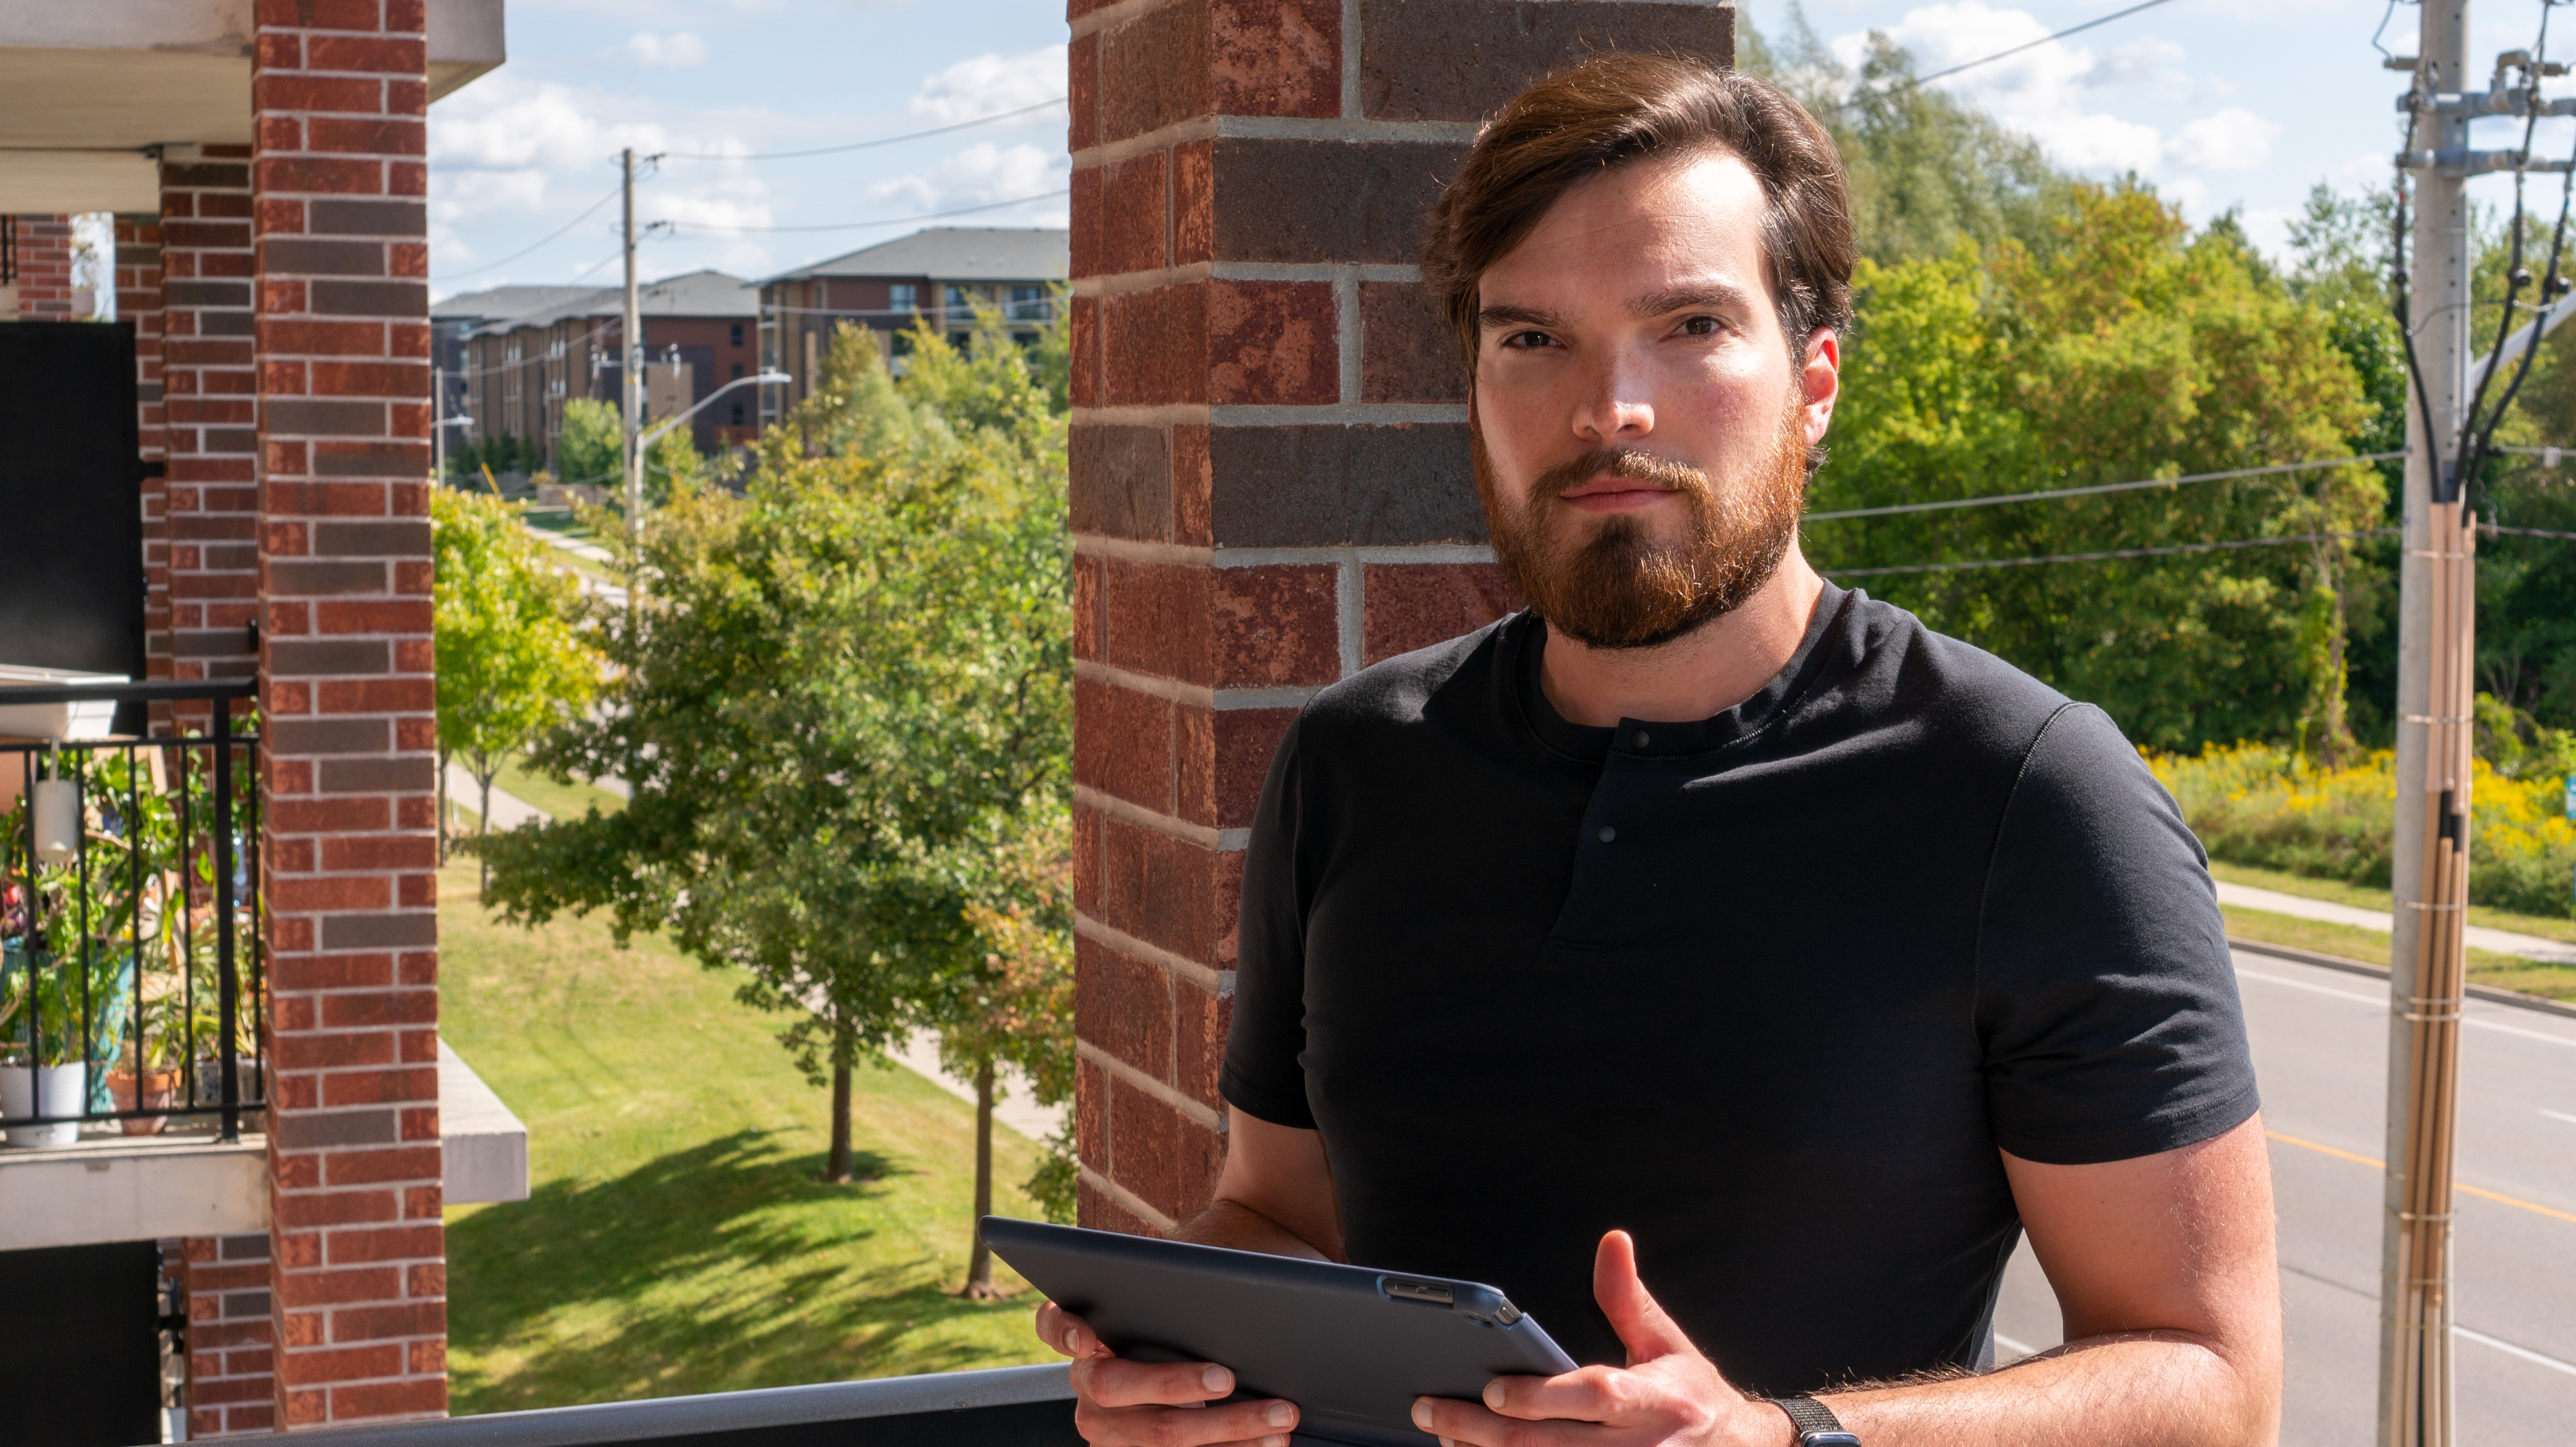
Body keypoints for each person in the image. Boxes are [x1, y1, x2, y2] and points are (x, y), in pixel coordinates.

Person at [1035, 54, 2280, 1447]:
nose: (1606, 409)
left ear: (1816, 387)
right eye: (1532, 339)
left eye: (1687, 325)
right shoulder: (1355, 765)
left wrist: (1784, 1438)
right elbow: (1278, 1209)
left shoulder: (2029, 797)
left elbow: (2213, 1384)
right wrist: (1186, 1349)